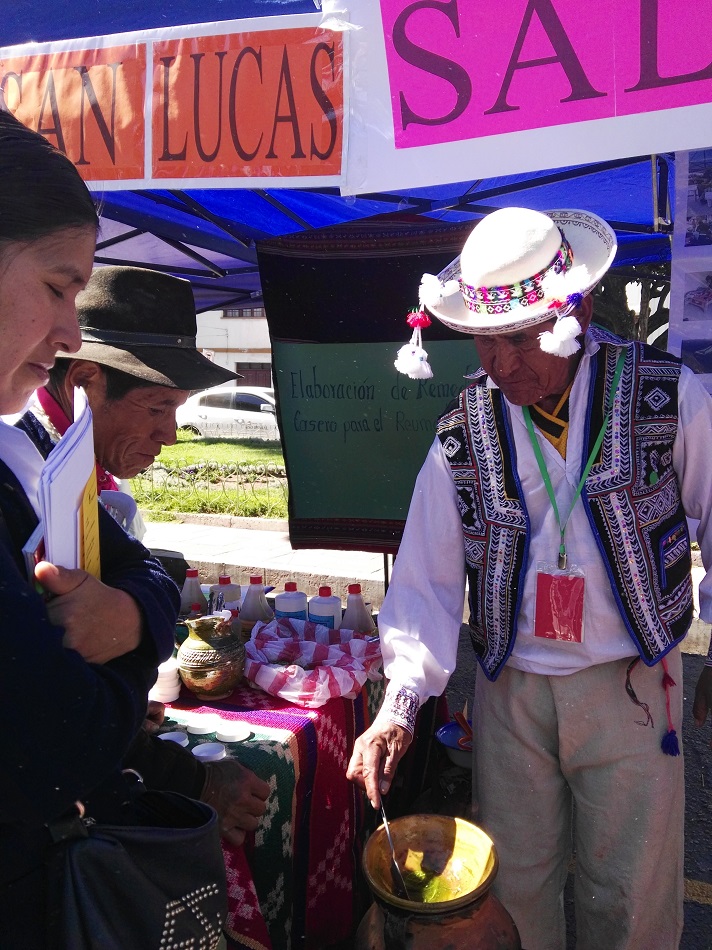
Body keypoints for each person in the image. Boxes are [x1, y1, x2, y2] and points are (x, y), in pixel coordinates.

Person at [347, 206, 712, 950]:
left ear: (570, 311)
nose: (499, 364)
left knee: (630, 893)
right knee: (510, 888)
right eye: (484, 341)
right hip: (510, 692)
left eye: (517, 340)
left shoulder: (667, 396)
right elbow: (426, 577)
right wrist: (401, 704)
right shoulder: (464, 430)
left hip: (633, 687)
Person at [0, 110, 185, 945]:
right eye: (55, 287)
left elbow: (151, 569)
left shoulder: (22, 454)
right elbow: (59, 746)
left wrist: (131, 616)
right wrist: (138, 645)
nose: (71, 327)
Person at [16, 264, 271, 846]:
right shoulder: (30, 469)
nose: (171, 433)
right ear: (85, 382)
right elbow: (50, 691)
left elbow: (148, 575)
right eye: (157, 407)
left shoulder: (81, 468)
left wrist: (129, 627)